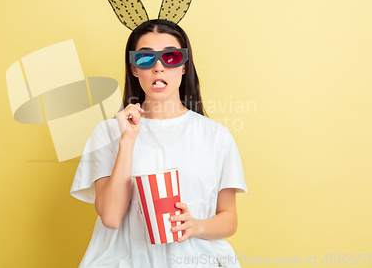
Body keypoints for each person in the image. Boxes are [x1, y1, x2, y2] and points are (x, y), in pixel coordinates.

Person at [70, 19, 248, 268]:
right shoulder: (108, 133)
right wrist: (128, 141)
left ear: (184, 66)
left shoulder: (216, 136)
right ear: (134, 68)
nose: (158, 67)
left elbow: (229, 218)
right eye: (145, 59)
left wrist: (197, 225)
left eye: (171, 57)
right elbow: (110, 217)